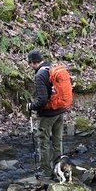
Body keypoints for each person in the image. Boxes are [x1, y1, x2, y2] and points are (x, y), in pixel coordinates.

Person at [27, 49, 67, 178]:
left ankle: (46, 172)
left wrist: (31, 106)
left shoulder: (40, 75)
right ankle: (59, 169)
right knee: (57, 141)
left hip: (48, 114)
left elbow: (42, 100)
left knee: (43, 142)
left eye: (30, 64)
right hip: (60, 111)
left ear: (33, 62)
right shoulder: (52, 68)